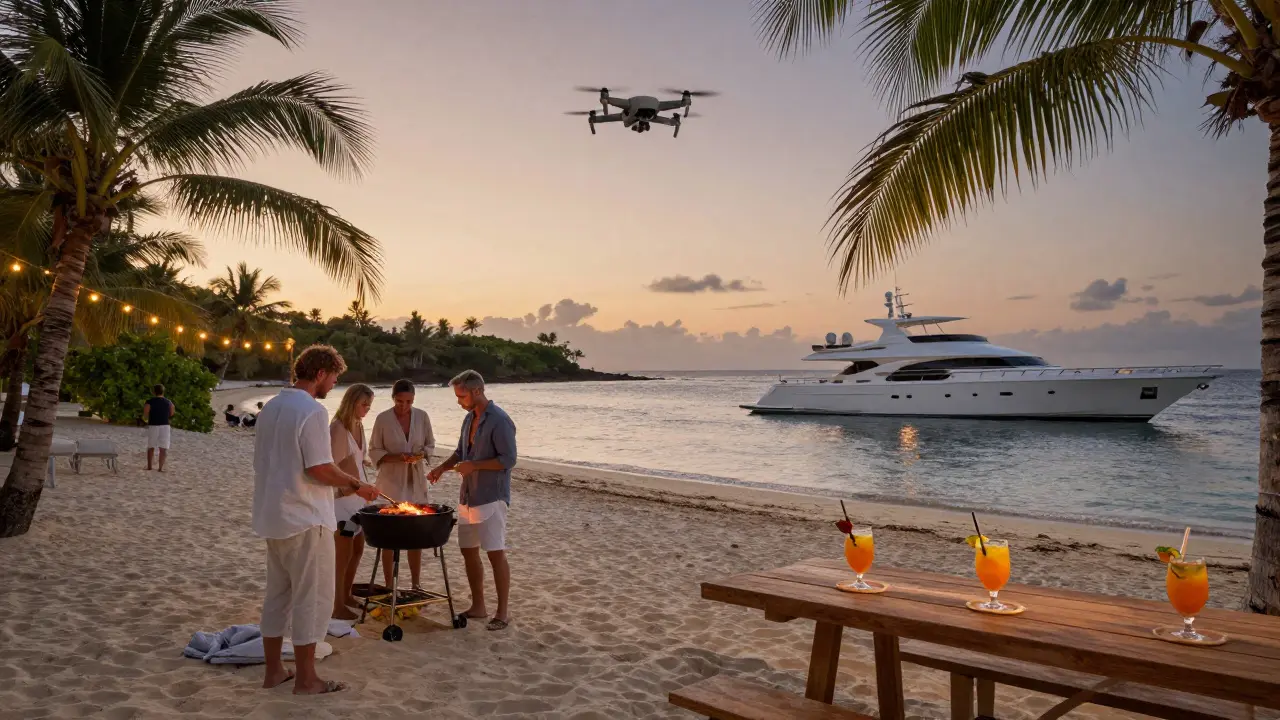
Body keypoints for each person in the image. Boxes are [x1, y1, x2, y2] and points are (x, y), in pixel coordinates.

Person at [252, 345, 379, 695]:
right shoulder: (312, 411)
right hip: (304, 516)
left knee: (277, 595)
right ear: (320, 373)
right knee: (312, 598)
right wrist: (357, 484)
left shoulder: (271, 407)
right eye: (335, 376)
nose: (335, 383)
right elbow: (319, 467)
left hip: (272, 514)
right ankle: (307, 679)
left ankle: (274, 671)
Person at [428, 370, 516, 631]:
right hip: (468, 495)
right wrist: (441, 469)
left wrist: (475, 466)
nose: (459, 401)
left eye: (461, 395)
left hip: (491, 497)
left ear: (477, 391)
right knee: (468, 551)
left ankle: (502, 612)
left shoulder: (500, 421)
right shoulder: (468, 419)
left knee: (495, 554)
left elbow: (509, 460)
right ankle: (479, 606)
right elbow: (459, 453)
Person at [368, 379, 435, 590]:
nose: (404, 406)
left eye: (408, 401)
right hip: (390, 482)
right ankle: (389, 586)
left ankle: (416, 584)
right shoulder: (383, 419)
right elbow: (374, 451)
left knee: (415, 535)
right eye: (399, 401)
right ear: (393, 398)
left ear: (413, 399)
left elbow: (430, 444)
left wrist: (421, 454)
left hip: (415, 480)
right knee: (390, 536)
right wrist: (398, 457)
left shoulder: (422, 417)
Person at [329, 383, 374, 620]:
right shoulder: (338, 428)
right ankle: (336, 605)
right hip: (342, 499)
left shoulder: (359, 425)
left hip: (359, 497)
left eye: (369, 405)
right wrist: (346, 489)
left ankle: (346, 595)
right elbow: (330, 466)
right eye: (364, 404)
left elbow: (358, 459)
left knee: (357, 549)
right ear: (351, 402)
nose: (367, 409)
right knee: (341, 554)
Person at [142, 384, 176, 472]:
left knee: (151, 446)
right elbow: (172, 412)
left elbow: (146, 413)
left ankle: (149, 466)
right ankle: (160, 468)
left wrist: (147, 417)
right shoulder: (168, 402)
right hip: (165, 425)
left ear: (154, 392)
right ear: (163, 391)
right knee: (163, 447)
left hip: (153, 425)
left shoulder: (150, 401)